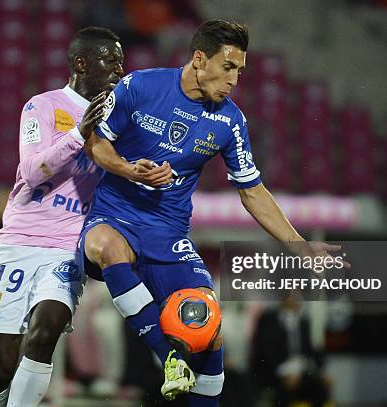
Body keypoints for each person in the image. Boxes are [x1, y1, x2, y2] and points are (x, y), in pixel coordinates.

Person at [81, 19, 344, 404]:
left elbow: (252, 191)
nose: (235, 79)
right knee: (107, 246)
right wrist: (127, 168)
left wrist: (301, 247)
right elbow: (96, 144)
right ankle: (169, 356)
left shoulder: (230, 121)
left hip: (167, 233)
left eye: (240, 70)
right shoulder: (140, 86)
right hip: (114, 215)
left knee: (208, 328)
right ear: (199, 59)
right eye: (228, 67)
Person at [0, 27, 171, 407]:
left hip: (67, 248)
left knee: (45, 332)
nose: (119, 68)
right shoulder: (43, 106)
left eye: (121, 60)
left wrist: (146, 173)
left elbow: (121, 172)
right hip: (19, 243)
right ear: (81, 63)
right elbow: (32, 172)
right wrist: (77, 136)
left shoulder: (122, 119)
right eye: (109, 60)